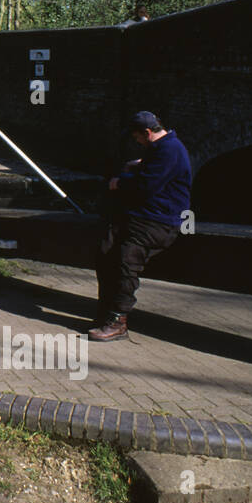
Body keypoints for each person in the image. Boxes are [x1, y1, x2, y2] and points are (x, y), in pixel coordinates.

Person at [90, 111, 191, 342]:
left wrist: (120, 182)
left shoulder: (169, 149)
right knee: (106, 251)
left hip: (159, 221)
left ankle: (118, 321)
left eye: (137, 137)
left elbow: (146, 186)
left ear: (147, 133)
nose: (136, 142)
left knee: (127, 259)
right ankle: (105, 313)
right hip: (142, 216)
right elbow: (154, 172)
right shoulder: (161, 148)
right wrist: (140, 165)